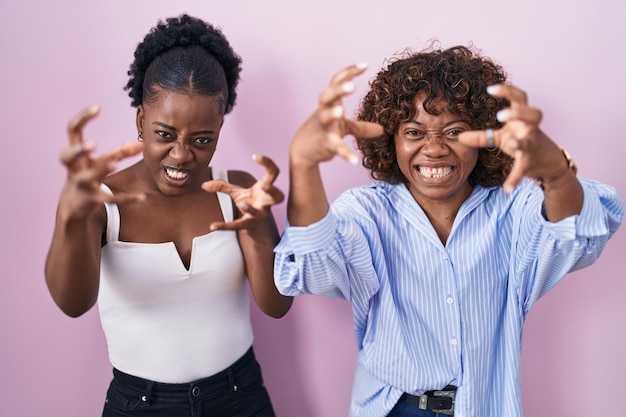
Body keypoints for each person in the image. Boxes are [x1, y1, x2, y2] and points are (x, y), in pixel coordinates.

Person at [273, 44, 624, 417]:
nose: (435, 148)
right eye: (414, 131)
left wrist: (555, 174)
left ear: (486, 134)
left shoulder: (512, 205)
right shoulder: (366, 211)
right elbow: (310, 268)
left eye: (454, 130)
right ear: (391, 138)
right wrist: (303, 165)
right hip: (394, 407)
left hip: (485, 406)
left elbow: (580, 235)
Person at [44, 14, 292, 417]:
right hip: (140, 405)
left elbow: (277, 305)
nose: (181, 155)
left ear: (219, 130)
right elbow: (73, 304)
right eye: (164, 134)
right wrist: (71, 219)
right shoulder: (99, 202)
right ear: (141, 120)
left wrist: (261, 231)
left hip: (240, 395)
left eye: (201, 139)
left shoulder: (239, 190)